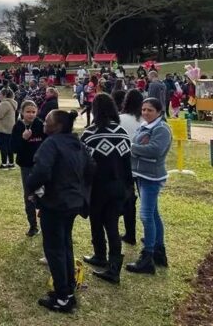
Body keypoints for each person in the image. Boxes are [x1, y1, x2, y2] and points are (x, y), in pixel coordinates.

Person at [26, 110, 95, 314]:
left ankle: (63, 297)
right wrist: (79, 189)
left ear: (57, 126)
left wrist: (32, 188)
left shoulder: (51, 143)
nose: (43, 123)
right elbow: (91, 168)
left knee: (54, 249)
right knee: (65, 245)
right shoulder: (77, 143)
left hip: (56, 204)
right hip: (73, 203)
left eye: (47, 121)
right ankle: (68, 289)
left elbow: (41, 171)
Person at [81, 93, 133, 285]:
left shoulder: (89, 134)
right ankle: (113, 266)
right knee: (112, 225)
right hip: (118, 186)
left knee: (96, 221)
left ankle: (99, 255)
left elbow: (84, 165)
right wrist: (128, 186)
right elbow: (127, 163)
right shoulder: (122, 132)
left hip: (97, 187)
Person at [126, 97, 172, 275]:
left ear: (159, 111)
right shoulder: (145, 126)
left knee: (146, 216)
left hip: (151, 177)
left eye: (150, 110)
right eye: (143, 109)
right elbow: (143, 147)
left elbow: (154, 150)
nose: (145, 113)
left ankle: (148, 256)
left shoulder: (161, 129)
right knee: (153, 214)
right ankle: (159, 252)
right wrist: (138, 147)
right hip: (140, 175)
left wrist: (132, 147)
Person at [12, 100, 45, 237]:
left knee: (44, 194)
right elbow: (13, 148)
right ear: (22, 112)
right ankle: (33, 226)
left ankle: (45, 224)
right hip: (26, 166)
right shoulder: (18, 126)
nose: (31, 114)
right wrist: (23, 139)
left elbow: (48, 142)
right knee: (29, 195)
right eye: (28, 112)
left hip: (41, 166)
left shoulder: (41, 124)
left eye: (33, 112)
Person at [119, 89, 144, 245]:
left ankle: (130, 233)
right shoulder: (146, 119)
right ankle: (149, 234)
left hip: (126, 163)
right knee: (148, 203)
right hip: (144, 164)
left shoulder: (120, 118)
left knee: (129, 200)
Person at [0, 88, 18, 169]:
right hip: (10, 128)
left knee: (2, 146)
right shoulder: (12, 102)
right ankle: (11, 163)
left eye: (0, 94)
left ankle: (4, 163)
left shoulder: (5, 103)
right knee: (9, 146)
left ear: (4, 95)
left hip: (3, 128)